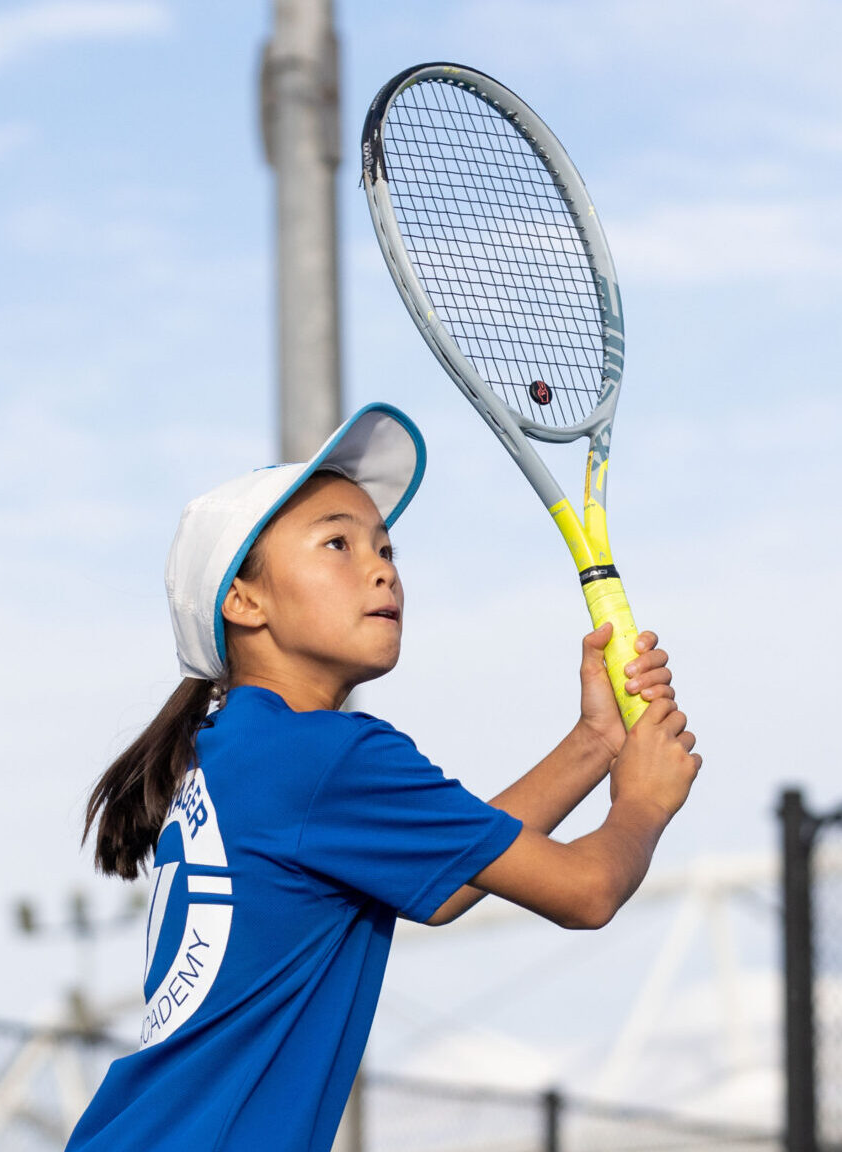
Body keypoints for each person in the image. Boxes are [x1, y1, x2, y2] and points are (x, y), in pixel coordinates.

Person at [66, 403, 700, 1151]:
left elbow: (452, 882)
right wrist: (643, 804)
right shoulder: (322, 755)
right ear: (244, 600)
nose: (380, 569)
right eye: (336, 542)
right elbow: (586, 892)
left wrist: (598, 741)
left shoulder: (242, 749)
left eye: (387, 549)